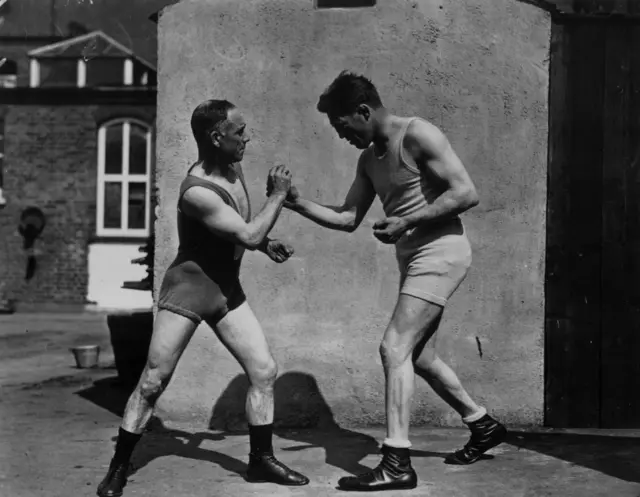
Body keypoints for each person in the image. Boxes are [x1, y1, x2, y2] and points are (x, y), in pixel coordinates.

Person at [276, 71, 507, 492]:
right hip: (414, 257)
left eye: (342, 126)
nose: (340, 136)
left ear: (363, 111)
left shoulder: (419, 134)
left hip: (442, 252)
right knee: (417, 357)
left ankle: (397, 462)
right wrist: (296, 203)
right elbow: (348, 218)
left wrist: (408, 219)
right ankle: (482, 423)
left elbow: (466, 193)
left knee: (393, 347)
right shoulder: (368, 160)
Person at [97, 99, 309, 497]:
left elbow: (238, 231)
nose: (247, 138)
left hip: (226, 288)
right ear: (216, 137)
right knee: (152, 382)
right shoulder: (196, 192)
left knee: (263, 370)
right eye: (239, 132)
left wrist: (265, 246)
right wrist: (278, 196)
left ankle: (260, 460)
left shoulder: (232, 167)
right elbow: (246, 234)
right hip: (190, 290)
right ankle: (118, 467)